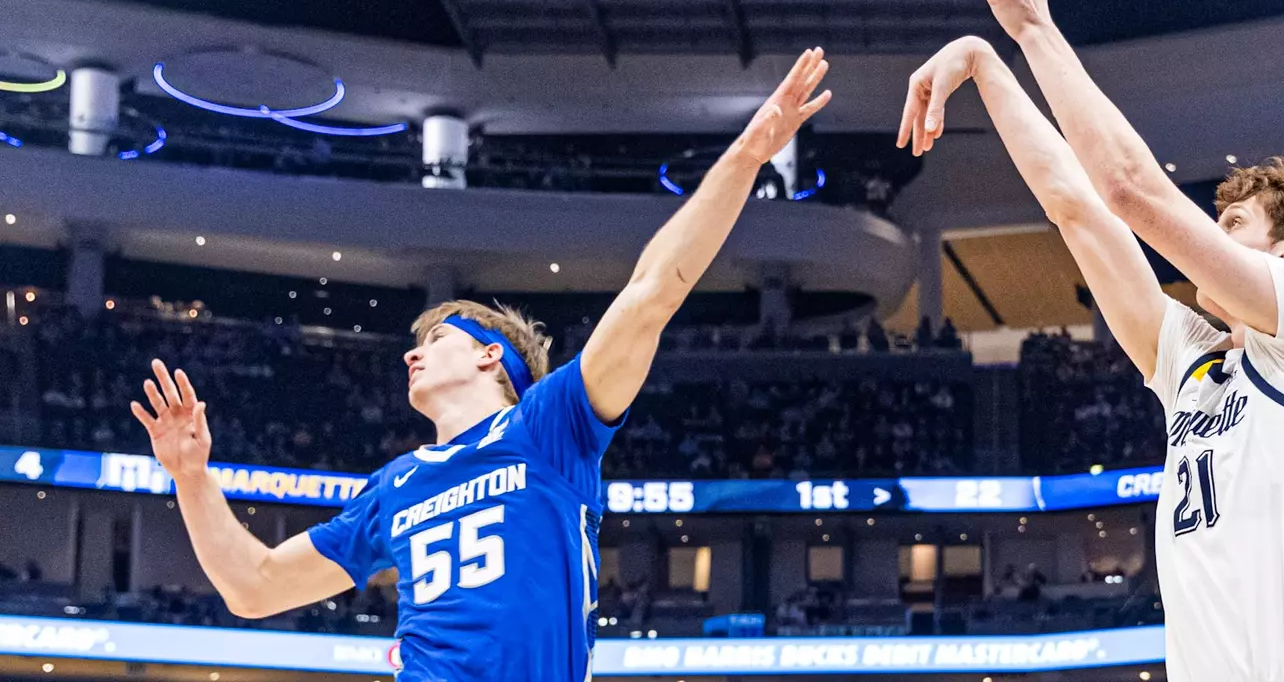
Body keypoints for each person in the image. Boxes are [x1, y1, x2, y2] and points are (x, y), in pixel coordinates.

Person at [130, 49, 834, 682]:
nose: (410, 352)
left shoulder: (549, 428)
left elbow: (653, 293)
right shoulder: (396, 485)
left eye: (434, 339)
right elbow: (253, 587)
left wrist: (746, 156)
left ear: (489, 355)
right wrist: (191, 478)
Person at [900, 0, 1284, 682]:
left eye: (1235, 224)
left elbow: (1129, 189)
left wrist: (1034, 30)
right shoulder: (1192, 362)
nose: (1214, 240)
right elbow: (1079, 209)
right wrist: (986, 63)